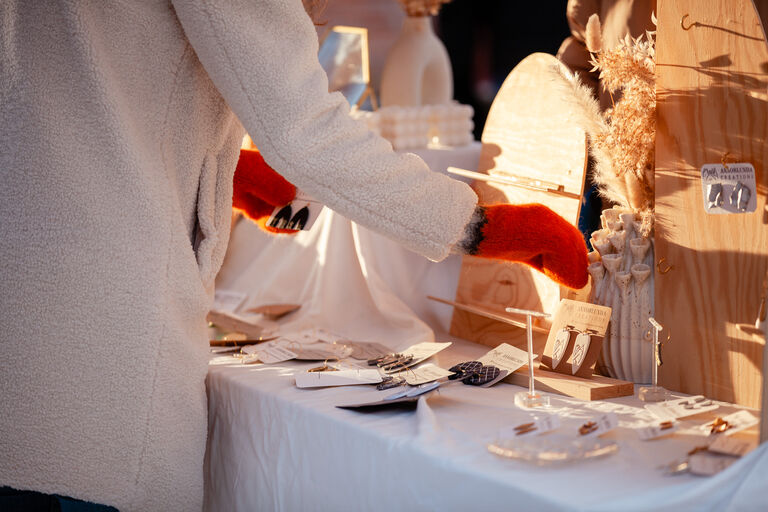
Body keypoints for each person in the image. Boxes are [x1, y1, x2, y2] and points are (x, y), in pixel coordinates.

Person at [0, 1, 588, 510]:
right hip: (94, 358)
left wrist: (219, 168)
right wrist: (481, 225)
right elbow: (305, 132)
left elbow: (84, 90)